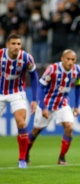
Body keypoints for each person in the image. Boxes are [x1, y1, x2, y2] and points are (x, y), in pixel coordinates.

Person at [26, 49, 80, 165]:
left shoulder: (78, 71)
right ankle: (25, 155)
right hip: (46, 103)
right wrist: (43, 107)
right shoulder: (52, 69)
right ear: (62, 59)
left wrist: (76, 106)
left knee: (69, 127)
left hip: (62, 103)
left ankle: (61, 158)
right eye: (68, 59)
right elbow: (41, 87)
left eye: (73, 59)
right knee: (36, 130)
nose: (70, 62)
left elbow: (78, 87)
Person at [0, 33, 38, 168]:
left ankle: (22, 159)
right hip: (0, 92)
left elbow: (34, 77)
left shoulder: (27, 58)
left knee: (22, 124)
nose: (16, 47)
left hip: (17, 92)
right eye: (13, 44)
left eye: (18, 44)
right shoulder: (0, 56)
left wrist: (34, 99)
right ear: (7, 45)